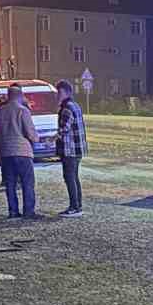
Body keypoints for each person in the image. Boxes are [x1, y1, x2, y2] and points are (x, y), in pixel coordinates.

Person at [0, 84, 40, 218]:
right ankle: (28, 211)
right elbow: (30, 133)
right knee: (27, 183)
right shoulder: (22, 111)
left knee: (10, 184)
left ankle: (13, 211)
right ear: (20, 96)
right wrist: (37, 139)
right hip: (23, 152)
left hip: (6, 152)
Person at [54, 79, 86, 218]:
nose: (57, 95)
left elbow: (64, 129)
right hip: (78, 149)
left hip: (69, 149)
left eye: (59, 92)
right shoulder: (76, 105)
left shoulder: (66, 108)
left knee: (69, 177)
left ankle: (74, 207)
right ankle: (78, 205)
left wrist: (52, 138)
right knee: (74, 177)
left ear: (66, 92)